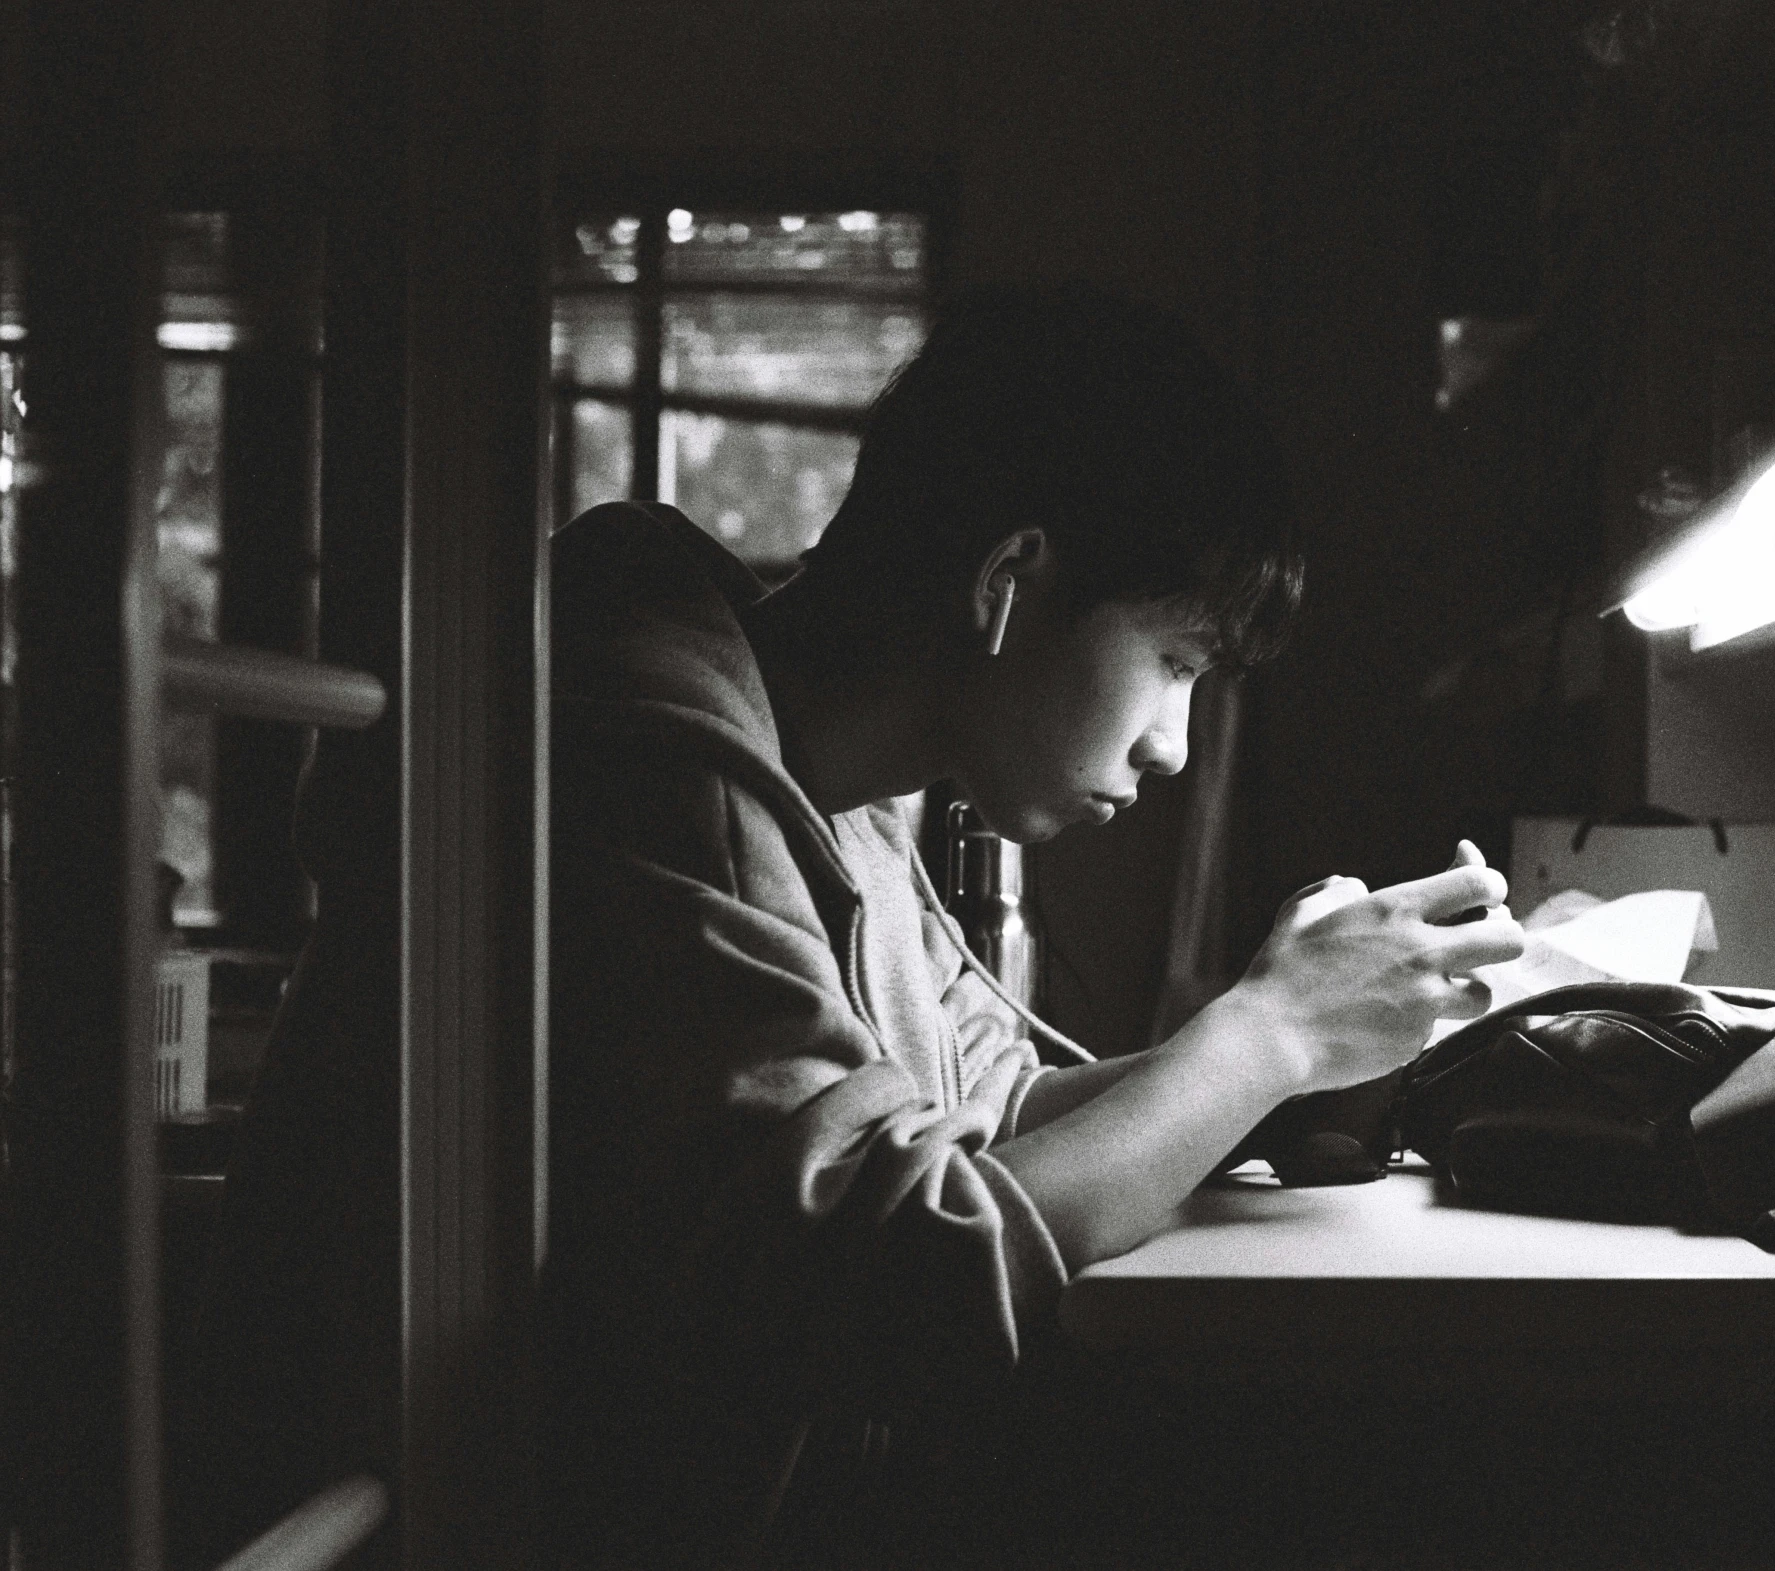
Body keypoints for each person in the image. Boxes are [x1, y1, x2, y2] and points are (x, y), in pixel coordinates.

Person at [205, 280, 1526, 1569]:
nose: (1176, 746)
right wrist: (1266, 1035)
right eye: (1176, 661)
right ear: (1008, 578)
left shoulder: (851, 798)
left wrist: (1289, 1057)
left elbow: (990, 1119)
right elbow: (914, 1277)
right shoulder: (650, 768)